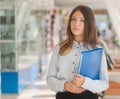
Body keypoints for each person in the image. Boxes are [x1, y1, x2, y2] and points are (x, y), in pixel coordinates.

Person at [46, 5, 109, 99]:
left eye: (82, 20)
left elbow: (104, 83)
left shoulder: (97, 50)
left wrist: (85, 82)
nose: (76, 24)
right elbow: (50, 79)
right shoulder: (59, 48)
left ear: (89, 23)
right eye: (73, 19)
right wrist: (66, 85)